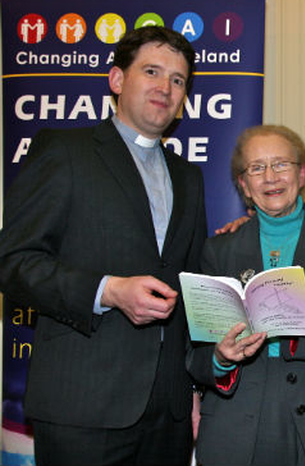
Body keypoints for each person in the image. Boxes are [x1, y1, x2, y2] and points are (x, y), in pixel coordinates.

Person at [0, 26, 207, 466]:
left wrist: (191, 390)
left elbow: (191, 287)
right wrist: (107, 291)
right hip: (83, 408)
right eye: (152, 71)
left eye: (178, 80)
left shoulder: (189, 177)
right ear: (116, 80)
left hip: (167, 415)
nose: (165, 87)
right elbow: (13, 262)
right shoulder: (64, 151)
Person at [186, 125, 305, 466]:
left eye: (281, 164)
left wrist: (291, 326)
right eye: (256, 168)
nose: (270, 177)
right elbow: (194, 354)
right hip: (236, 427)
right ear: (243, 185)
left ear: (301, 174)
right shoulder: (218, 251)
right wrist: (220, 358)